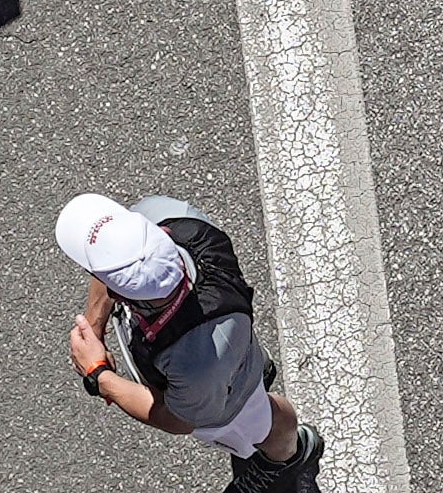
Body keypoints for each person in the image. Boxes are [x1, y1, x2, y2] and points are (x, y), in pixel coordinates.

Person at [55, 182, 306, 477]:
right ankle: (254, 366)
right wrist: (93, 326)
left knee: (263, 424)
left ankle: (290, 455)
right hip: (226, 345)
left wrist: (98, 375)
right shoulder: (164, 215)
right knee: (239, 360)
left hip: (214, 388)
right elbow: (115, 261)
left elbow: (178, 420)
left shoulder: (196, 365)